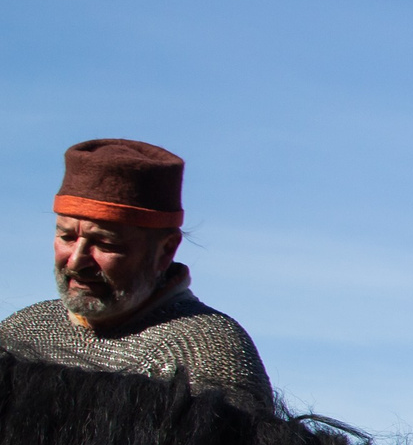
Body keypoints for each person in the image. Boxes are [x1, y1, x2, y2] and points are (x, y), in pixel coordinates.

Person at [0, 138, 272, 412]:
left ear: (165, 250)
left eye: (105, 244)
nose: (76, 261)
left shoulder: (209, 353)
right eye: (67, 237)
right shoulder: (20, 333)